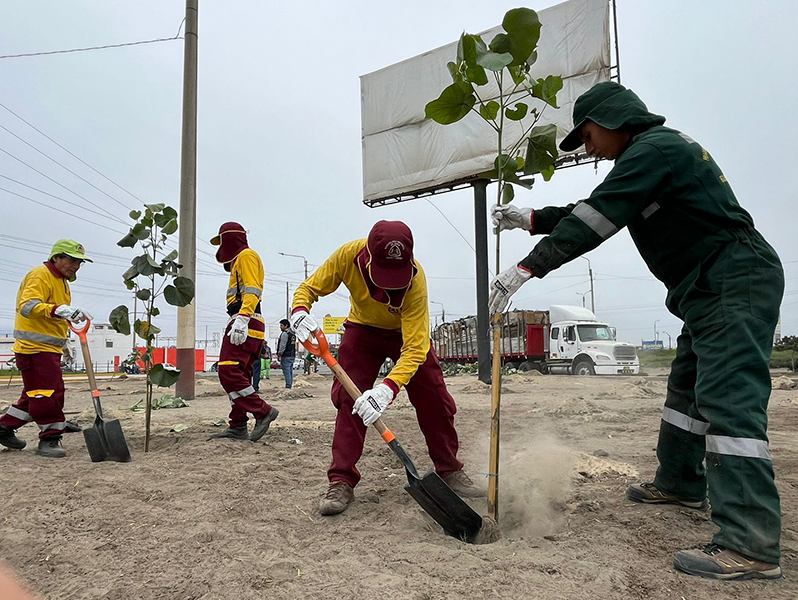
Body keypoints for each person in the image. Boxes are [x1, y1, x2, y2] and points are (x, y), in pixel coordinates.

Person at [489, 81, 783, 580]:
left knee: (727, 399)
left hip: (733, 279)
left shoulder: (656, 150)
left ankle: (749, 543)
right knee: (686, 391)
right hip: (707, 288)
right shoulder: (648, 158)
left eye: (586, 137)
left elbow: (598, 219)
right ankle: (681, 483)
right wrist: (531, 217)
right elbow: (597, 207)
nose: (588, 150)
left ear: (609, 119)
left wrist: (527, 268)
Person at [290, 220, 485, 516]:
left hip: (404, 334)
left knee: (435, 397)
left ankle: (449, 470)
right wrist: (299, 310)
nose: (390, 286)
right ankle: (341, 479)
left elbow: (416, 348)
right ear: (368, 258)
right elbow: (309, 288)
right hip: (362, 330)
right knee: (349, 400)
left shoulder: (416, 280)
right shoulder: (347, 257)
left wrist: (385, 391)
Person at [0, 240, 94, 458]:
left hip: (49, 348)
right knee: (47, 393)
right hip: (33, 349)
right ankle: (50, 436)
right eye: (72, 260)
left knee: (34, 394)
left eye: (80, 262)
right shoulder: (40, 275)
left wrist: (68, 316)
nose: (76, 266)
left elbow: (54, 314)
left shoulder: (62, 282)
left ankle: (3, 428)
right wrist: (58, 310)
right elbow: (27, 307)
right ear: (57, 258)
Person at [208, 222, 278, 441]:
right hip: (249, 322)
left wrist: (242, 318)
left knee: (228, 371)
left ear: (229, 239)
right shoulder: (242, 259)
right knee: (242, 375)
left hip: (246, 320)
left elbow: (252, 290)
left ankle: (263, 411)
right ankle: (238, 425)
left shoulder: (246, 256)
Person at [276, 319, 296, 389]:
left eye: (281, 325)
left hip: (286, 355)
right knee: (290, 371)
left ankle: (288, 386)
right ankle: (289, 384)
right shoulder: (293, 334)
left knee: (286, 371)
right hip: (292, 355)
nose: (280, 327)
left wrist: (279, 354)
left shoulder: (285, 334)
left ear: (286, 325)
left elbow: (283, 345)